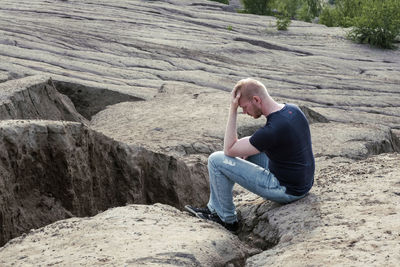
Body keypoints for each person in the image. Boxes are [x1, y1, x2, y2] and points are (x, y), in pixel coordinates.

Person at [185, 78, 315, 233]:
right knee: (246, 152)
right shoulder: (292, 110)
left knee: (216, 160)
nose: (245, 112)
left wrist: (232, 110)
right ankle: (214, 208)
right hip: (302, 181)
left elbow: (229, 149)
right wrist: (244, 149)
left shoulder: (272, 130)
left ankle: (227, 220)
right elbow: (260, 141)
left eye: (244, 107)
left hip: (286, 189)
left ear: (256, 100)